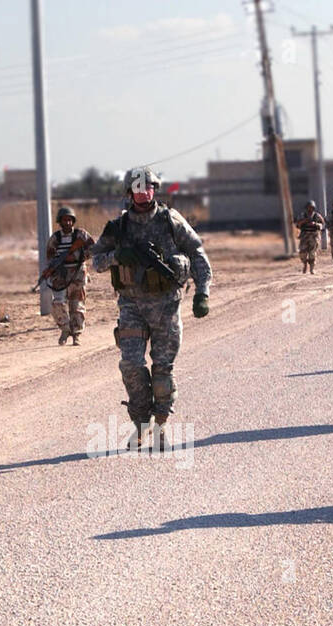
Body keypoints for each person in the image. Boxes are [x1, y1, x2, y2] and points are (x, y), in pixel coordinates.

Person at [92, 165, 211, 449]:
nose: (144, 194)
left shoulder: (171, 220)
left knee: (162, 369)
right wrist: (118, 255)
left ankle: (160, 424)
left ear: (155, 190)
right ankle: (140, 423)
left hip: (166, 308)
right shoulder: (118, 227)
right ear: (129, 192)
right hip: (131, 306)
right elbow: (96, 260)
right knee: (131, 365)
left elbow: (196, 252)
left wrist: (202, 292)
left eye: (149, 188)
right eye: (138, 189)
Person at [46, 205, 95, 345]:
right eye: (64, 220)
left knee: (77, 306)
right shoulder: (55, 238)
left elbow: (94, 249)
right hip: (61, 276)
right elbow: (50, 258)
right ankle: (65, 329)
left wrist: (77, 257)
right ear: (59, 222)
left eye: (69, 220)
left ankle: (77, 334)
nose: (67, 223)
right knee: (57, 303)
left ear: (73, 221)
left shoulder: (81, 235)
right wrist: (53, 268)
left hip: (78, 275)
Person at [294, 200, 325, 274]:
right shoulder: (302, 215)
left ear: (314, 208)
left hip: (314, 235)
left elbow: (323, 225)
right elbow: (297, 224)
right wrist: (304, 221)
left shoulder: (317, 216)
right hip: (304, 235)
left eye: (311, 207)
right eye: (308, 207)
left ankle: (312, 268)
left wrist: (315, 224)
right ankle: (305, 264)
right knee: (302, 253)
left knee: (312, 253)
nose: (310, 209)